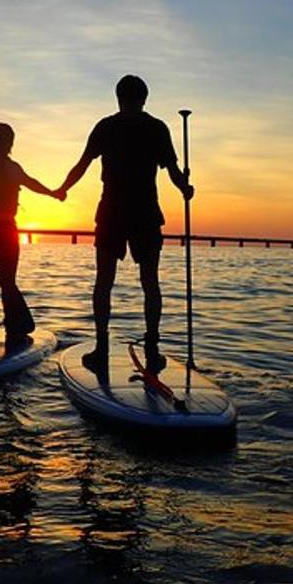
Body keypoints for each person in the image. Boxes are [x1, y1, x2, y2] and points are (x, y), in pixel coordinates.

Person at [56, 74, 192, 370]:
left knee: (104, 281)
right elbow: (173, 170)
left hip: (114, 212)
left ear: (118, 97)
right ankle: (152, 348)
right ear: (144, 98)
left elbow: (82, 164)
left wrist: (63, 189)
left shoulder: (107, 126)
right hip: (143, 211)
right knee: (150, 283)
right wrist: (184, 188)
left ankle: (102, 347)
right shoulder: (157, 128)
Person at [0, 122, 63, 350]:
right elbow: (31, 183)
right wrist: (54, 194)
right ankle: (13, 333)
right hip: (3, 229)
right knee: (7, 283)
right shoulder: (9, 167)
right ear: (9, 144)